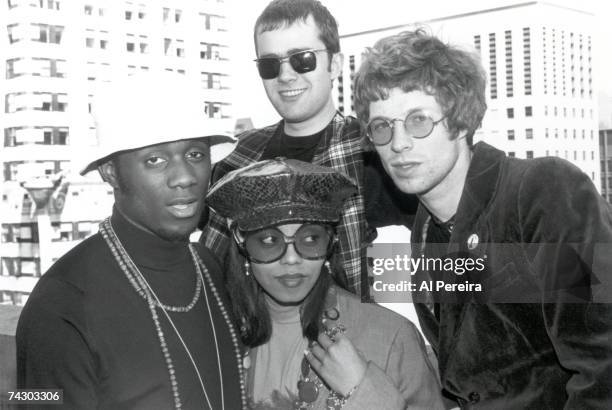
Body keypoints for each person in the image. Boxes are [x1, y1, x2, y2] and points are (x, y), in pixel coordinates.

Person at [353, 28, 612, 408]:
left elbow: (602, 363)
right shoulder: (426, 230)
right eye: (382, 126)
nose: (399, 143)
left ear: (459, 122)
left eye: (418, 120)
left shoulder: (541, 194)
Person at [16, 72, 245, 410]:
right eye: (155, 160)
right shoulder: (60, 303)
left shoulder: (209, 266)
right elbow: (31, 397)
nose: (184, 177)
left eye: (196, 154)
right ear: (110, 172)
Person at [206, 158, 444, 410]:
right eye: (269, 241)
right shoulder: (215, 333)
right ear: (243, 247)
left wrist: (364, 391)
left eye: (309, 239)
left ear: (329, 244)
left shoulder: (392, 337)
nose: (291, 259)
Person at [201, 0, 378, 300]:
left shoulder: (372, 152)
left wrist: (383, 326)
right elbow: (212, 266)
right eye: (270, 65)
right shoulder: (238, 158)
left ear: (334, 64)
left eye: (302, 59)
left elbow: (450, 259)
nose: (285, 76)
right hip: (252, 340)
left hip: (346, 338)